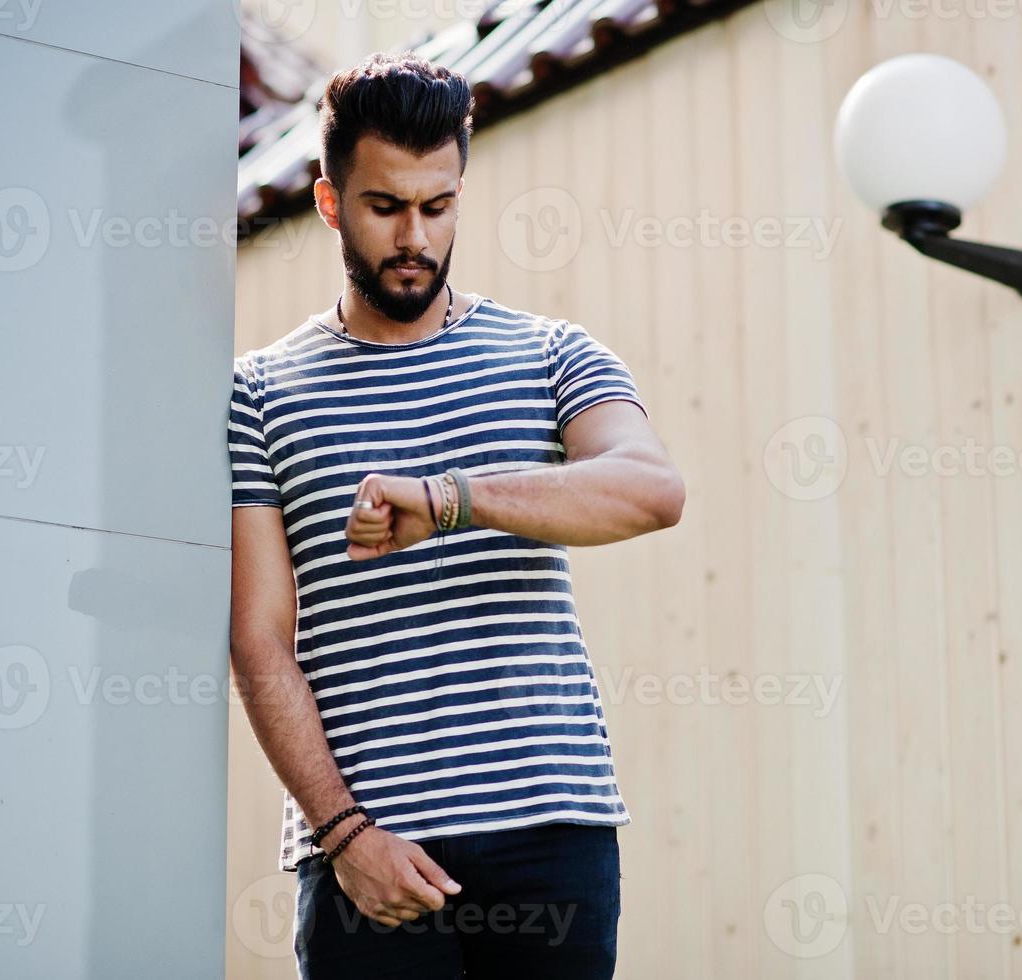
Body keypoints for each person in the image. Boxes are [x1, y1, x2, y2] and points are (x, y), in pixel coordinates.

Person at [228, 51, 685, 979]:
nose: (414, 237)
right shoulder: (257, 394)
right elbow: (257, 637)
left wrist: (450, 500)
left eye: (437, 207)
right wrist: (343, 833)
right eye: (384, 206)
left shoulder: (550, 352)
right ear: (329, 203)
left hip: (548, 833)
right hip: (368, 851)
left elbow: (649, 490)